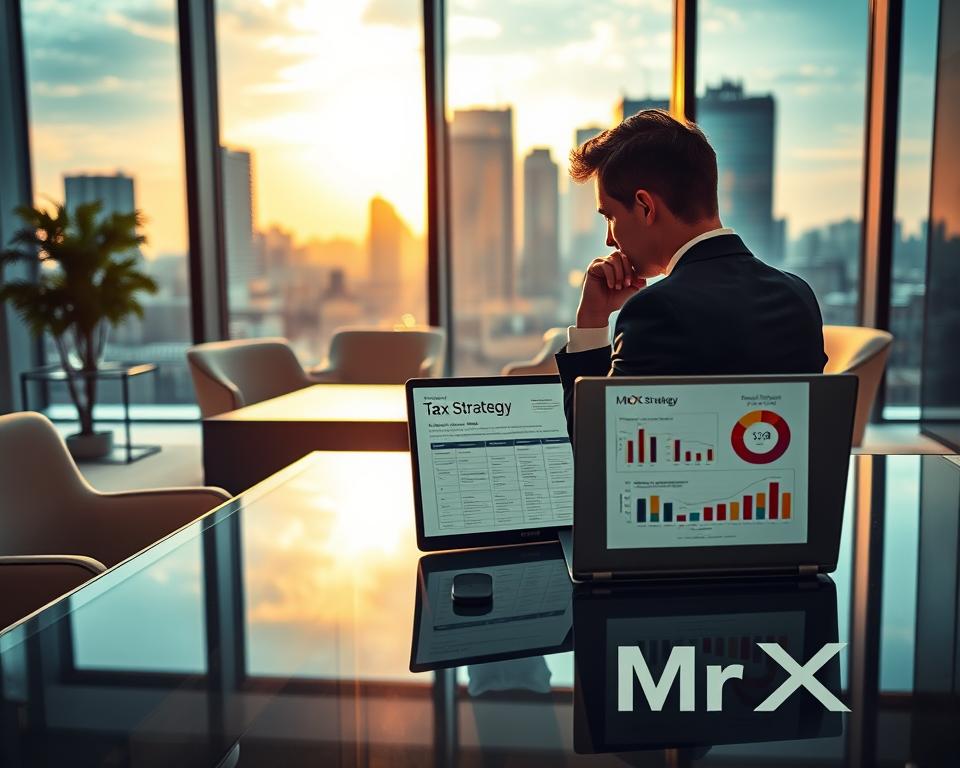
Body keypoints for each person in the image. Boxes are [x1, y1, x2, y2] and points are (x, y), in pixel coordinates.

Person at [556, 109, 827, 432]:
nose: (609, 238)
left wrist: (591, 321)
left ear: (645, 207)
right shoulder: (798, 296)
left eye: (609, 216)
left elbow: (595, 446)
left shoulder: (657, 311)